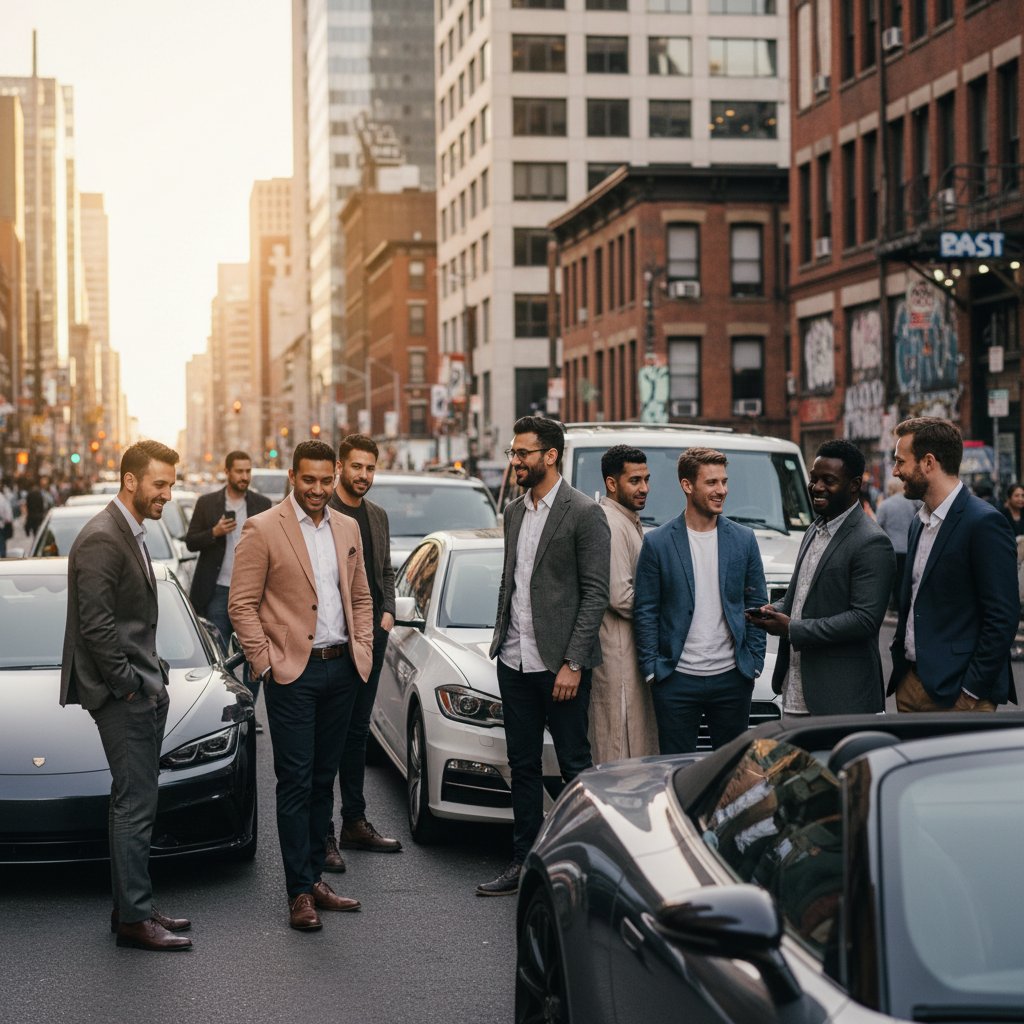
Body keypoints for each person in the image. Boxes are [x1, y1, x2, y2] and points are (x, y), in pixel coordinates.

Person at [229, 439, 374, 930]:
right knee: (294, 781)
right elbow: (241, 603)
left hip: (341, 669)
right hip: (293, 672)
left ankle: (315, 878)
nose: (318, 489)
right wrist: (265, 662)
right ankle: (298, 893)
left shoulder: (348, 527)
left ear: (335, 477)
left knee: (322, 779)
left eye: (325, 480)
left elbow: (361, 596)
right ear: (292, 477)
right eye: (308, 480)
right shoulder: (263, 527)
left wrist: (362, 648)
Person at [60, 440, 193, 952]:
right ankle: (135, 920)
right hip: (123, 695)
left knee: (134, 800)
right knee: (135, 805)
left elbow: (129, 620)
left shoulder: (129, 530)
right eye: (160, 484)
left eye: (171, 485)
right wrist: (131, 687)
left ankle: (131, 906)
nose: (167, 494)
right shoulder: (102, 537)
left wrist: (151, 674)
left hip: (140, 684)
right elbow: (96, 628)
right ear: (131, 481)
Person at [479, 416, 610, 896]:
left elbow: (595, 595)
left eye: (522, 453)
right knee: (523, 766)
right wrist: (501, 639)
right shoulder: (514, 511)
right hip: (514, 661)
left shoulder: (584, 513)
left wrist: (573, 663)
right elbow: (511, 580)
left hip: (560, 668)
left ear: (550, 456)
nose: (515, 461)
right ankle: (523, 861)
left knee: (574, 765)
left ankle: (587, 864)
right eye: (513, 453)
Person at [747, 440, 895, 715]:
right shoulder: (813, 530)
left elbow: (864, 620)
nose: (816, 487)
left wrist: (792, 629)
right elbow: (800, 597)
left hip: (841, 700)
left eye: (829, 480)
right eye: (814, 479)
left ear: (854, 485)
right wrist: (772, 611)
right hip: (794, 690)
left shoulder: (872, 542)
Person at [634, 447, 766, 754]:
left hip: (732, 678)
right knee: (676, 768)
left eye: (724, 481)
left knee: (732, 767)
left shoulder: (744, 539)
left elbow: (757, 602)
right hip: (676, 679)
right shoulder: (657, 542)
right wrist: (652, 669)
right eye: (712, 482)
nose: (722, 490)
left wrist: (754, 663)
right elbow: (646, 610)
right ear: (687, 485)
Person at [889, 417, 1019, 712]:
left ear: (928, 463)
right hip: (910, 685)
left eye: (900, 462)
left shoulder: (984, 522)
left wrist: (971, 691)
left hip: (959, 694)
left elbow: (1002, 616)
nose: (895, 471)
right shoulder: (918, 522)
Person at [322, 434, 401, 870]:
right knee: (326, 739)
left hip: (371, 637)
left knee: (356, 733)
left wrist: (388, 612)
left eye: (370, 468)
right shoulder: (323, 512)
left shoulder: (377, 516)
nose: (364, 475)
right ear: (340, 467)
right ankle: (323, 834)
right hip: (332, 640)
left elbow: (384, 570)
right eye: (356, 466)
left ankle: (353, 821)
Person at [184, 451, 272, 725]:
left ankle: (248, 712)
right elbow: (191, 541)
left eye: (248, 471)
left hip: (253, 594)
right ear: (227, 472)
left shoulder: (262, 504)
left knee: (253, 653)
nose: (244, 476)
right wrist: (214, 532)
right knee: (221, 656)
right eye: (239, 471)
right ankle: (228, 710)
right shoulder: (207, 503)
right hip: (218, 591)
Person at [589, 445, 658, 763]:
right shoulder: (612, 524)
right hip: (618, 658)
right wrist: (665, 611)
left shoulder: (627, 520)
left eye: (646, 479)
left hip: (629, 654)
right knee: (620, 748)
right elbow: (620, 596)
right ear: (611, 483)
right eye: (634, 480)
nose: (644, 488)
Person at [875, 477, 920, 609]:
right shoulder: (913, 504)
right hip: (909, 548)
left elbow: (878, 527)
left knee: (892, 579)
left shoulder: (885, 505)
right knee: (905, 579)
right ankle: (903, 604)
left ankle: (893, 604)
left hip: (891, 549)